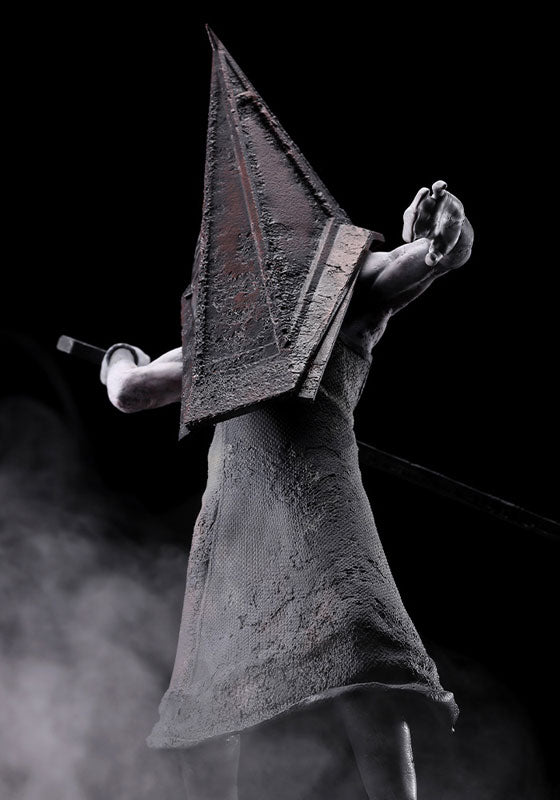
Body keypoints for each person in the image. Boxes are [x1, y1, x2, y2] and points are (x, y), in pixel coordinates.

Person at [100, 181, 473, 800]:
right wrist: (120, 358)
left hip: (322, 506)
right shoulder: (224, 339)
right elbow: (130, 391)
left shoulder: (337, 290)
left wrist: (440, 241)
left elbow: (428, 258)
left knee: (365, 651)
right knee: (206, 700)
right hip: (235, 527)